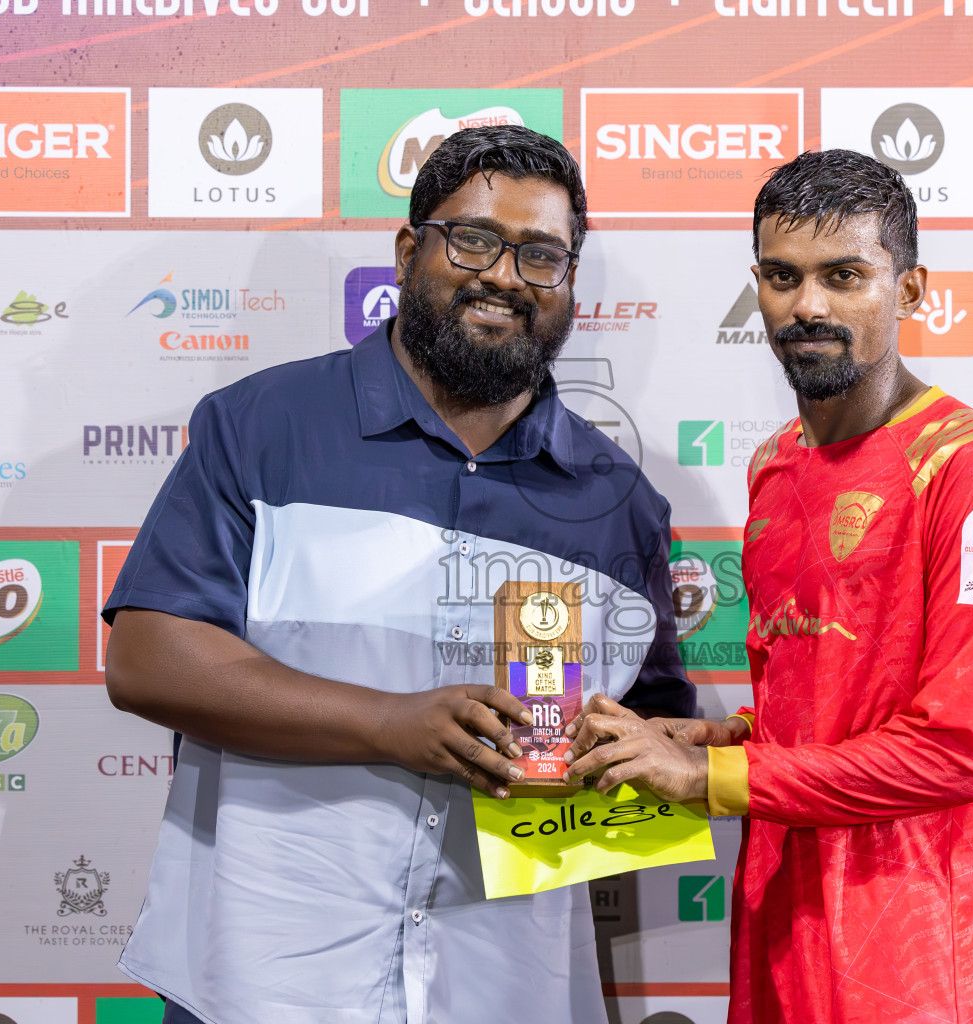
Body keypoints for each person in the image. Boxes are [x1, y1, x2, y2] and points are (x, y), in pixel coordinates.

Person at [102, 125, 694, 1024]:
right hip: (266, 976)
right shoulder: (262, 425)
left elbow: (652, 737)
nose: (504, 275)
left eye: (542, 256)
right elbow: (148, 659)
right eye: (474, 240)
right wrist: (389, 723)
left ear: (569, 283)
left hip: (501, 985)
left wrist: (611, 762)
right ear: (410, 251)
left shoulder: (619, 502)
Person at [563, 149, 973, 1024]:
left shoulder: (972, 470)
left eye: (844, 275)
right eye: (782, 277)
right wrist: (708, 739)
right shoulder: (774, 465)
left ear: (912, 288)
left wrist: (709, 779)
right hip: (779, 911)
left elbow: (952, 750)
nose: (808, 306)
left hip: (913, 941)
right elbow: (824, 707)